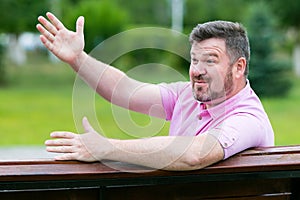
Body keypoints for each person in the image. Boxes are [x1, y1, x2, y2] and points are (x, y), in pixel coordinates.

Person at [36, 12, 274, 171]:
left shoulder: (248, 118)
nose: (197, 71)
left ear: (238, 67)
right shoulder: (186, 96)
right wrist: (78, 58)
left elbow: (195, 155)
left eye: (210, 61)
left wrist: (106, 148)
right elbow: (125, 90)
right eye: (193, 60)